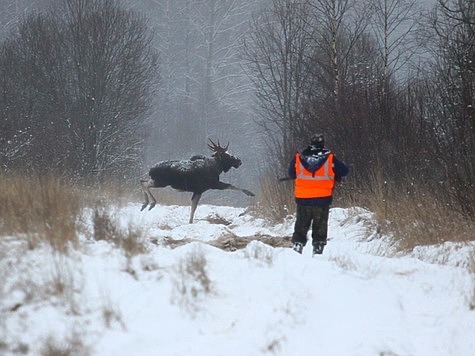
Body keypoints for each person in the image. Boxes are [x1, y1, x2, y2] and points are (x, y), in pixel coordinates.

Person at [287, 133, 349, 256]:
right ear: (322, 144)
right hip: (322, 199)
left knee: (301, 223)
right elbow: (344, 171)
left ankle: (298, 244)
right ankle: (318, 248)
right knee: (320, 225)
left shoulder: (299, 157)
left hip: (303, 198)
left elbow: (291, 173)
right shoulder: (330, 158)